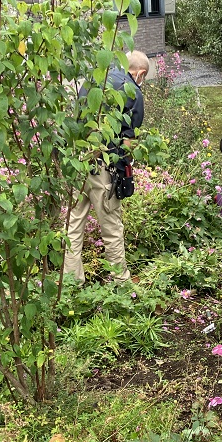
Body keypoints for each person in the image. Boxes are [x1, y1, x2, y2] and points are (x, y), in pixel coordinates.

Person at [63, 50, 150, 284]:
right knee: (111, 226)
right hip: (104, 165)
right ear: (140, 73)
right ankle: (121, 283)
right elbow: (129, 141)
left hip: (77, 161)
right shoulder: (133, 91)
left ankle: (72, 283)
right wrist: (124, 166)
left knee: (73, 224)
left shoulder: (94, 79)